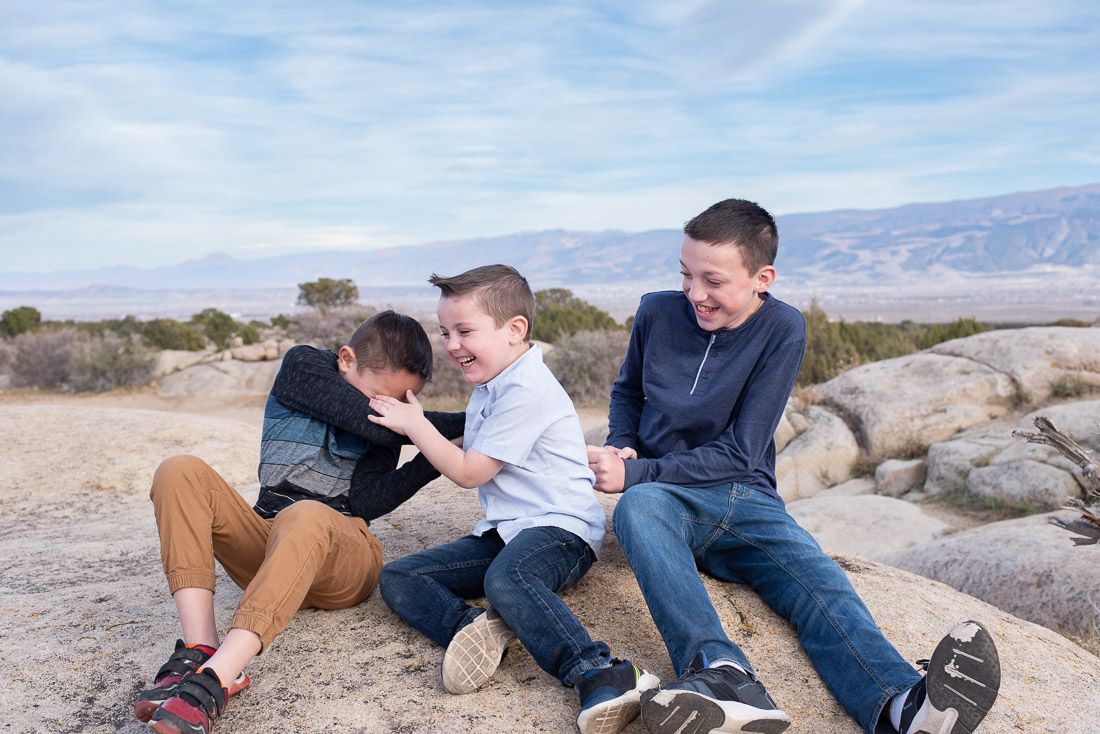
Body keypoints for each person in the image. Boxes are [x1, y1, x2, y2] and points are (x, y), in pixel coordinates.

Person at [586, 199, 1001, 734]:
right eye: (685, 275)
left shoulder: (782, 328)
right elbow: (628, 390)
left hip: (744, 496)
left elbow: (742, 450)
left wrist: (638, 474)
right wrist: (625, 448)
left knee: (819, 583)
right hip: (667, 499)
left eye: (713, 280)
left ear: (763, 277)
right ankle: (723, 674)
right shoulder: (655, 312)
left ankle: (903, 709)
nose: (694, 293)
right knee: (638, 508)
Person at [135, 310, 464, 734]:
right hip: (270, 549)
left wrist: (429, 454)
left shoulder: (392, 422)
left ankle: (219, 676)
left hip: (342, 561)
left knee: (307, 514)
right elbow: (371, 419)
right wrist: (430, 425)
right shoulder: (303, 367)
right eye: (384, 398)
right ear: (346, 359)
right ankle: (201, 648)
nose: (394, 411)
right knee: (179, 470)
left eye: (404, 403)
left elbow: (367, 499)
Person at [366, 265, 659, 734]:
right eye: (445, 332)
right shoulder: (493, 385)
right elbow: (479, 444)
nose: (452, 344)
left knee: (509, 576)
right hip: (505, 532)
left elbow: (469, 471)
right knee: (401, 576)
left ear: (514, 330)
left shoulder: (526, 387)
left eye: (464, 331)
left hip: (559, 532)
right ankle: (474, 629)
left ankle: (600, 671)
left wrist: (415, 424)